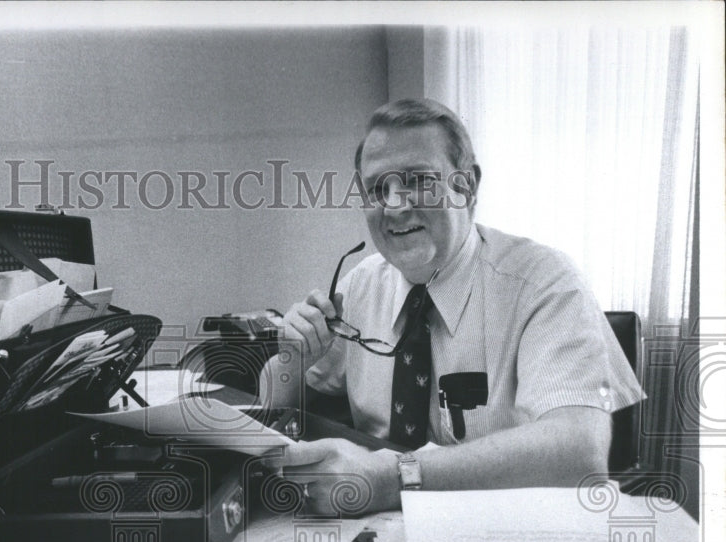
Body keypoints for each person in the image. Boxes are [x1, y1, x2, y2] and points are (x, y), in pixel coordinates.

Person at [259, 98, 643, 513]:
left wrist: (394, 478)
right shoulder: (359, 286)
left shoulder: (545, 282)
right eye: (377, 189)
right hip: (376, 525)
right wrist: (291, 359)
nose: (394, 205)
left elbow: (578, 454)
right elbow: (268, 408)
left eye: (418, 180)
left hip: (504, 523)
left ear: (467, 186)